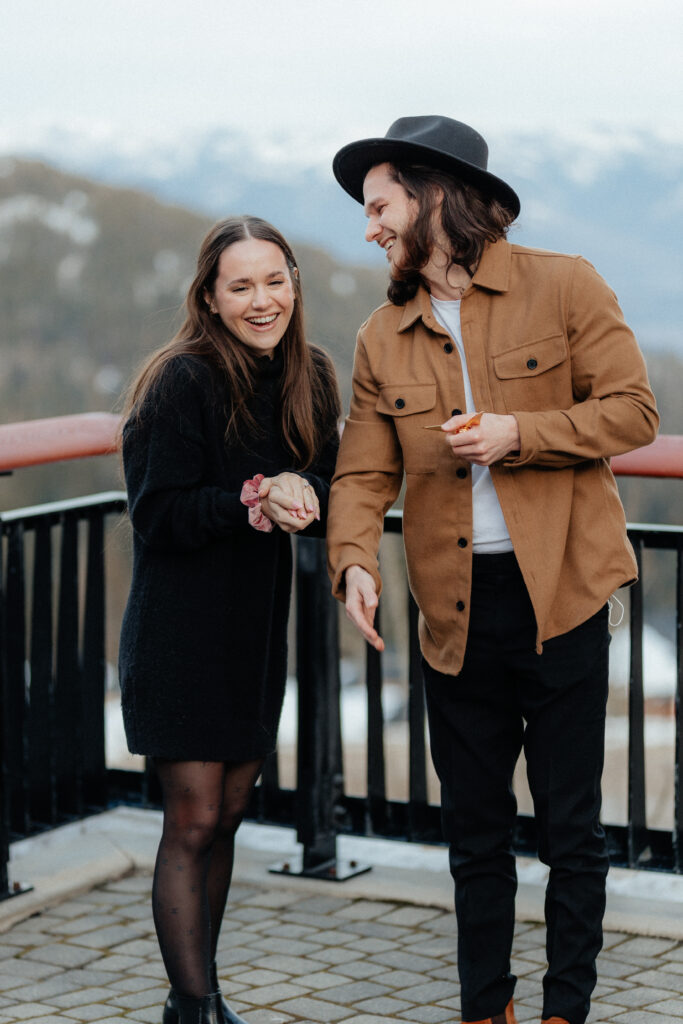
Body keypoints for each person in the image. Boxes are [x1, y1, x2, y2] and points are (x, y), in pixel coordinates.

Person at [327, 116, 659, 1024]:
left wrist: (521, 435)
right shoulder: (378, 335)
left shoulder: (564, 285)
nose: (370, 228)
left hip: (563, 598)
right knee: (473, 834)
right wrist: (354, 561)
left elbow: (632, 411)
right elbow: (361, 472)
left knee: (570, 831)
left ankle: (564, 1010)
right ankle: (486, 1010)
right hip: (452, 614)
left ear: (434, 193)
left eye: (380, 205)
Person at [119, 216, 341, 1024]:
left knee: (233, 814)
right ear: (209, 299)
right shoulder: (180, 379)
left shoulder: (310, 374)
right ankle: (195, 1006)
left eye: (274, 281)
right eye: (240, 285)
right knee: (194, 818)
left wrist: (306, 494)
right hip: (180, 631)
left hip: (252, 631)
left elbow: (322, 476)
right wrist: (253, 501)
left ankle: (198, 995)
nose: (261, 300)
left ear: (293, 284)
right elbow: (158, 513)